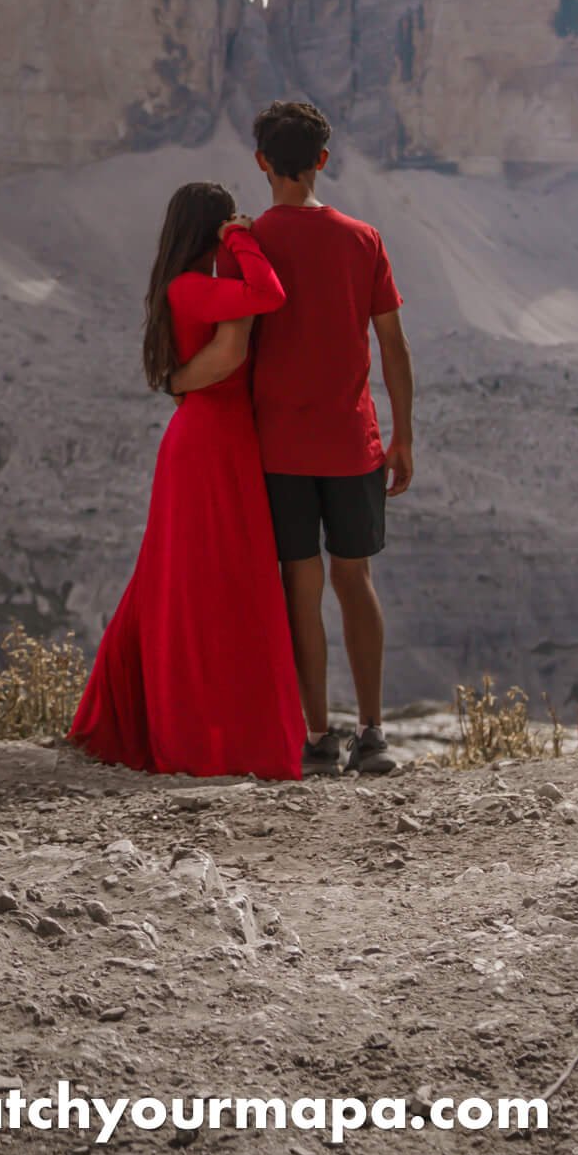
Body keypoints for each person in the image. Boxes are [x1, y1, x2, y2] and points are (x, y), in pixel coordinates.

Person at [169, 102, 414, 777]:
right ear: (321, 161)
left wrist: (179, 380)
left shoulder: (242, 246)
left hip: (276, 449)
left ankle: (316, 736)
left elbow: (233, 343)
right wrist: (404, 436)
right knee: (354, 580)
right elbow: (392, 346)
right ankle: (373, 733)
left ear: (260, 163)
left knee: (298, 587)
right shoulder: (363, 238)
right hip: (353, 443)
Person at [68, 181, 305, 780]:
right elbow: (268, 294)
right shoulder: (192, 287)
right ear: (211, 227)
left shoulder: (189, 286)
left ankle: (166, 722)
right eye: (224, 221)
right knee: (206, 585)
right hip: (210, 442)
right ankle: (201, 735)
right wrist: (245, 238)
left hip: (211, 438)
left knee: (185, 581)